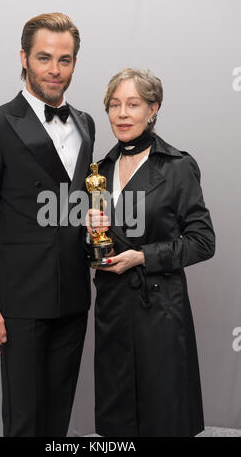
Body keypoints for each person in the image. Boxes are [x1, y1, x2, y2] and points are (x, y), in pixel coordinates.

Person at [0, 12, 95, 437]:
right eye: (44, 58)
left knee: (58, 421)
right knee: (24, 422)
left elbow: (75, 205)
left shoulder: (86, 123)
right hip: (20, 301)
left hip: (74, 295)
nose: (55, 70)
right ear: (23, 58)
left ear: (75, 62)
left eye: (65, 60)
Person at [87, 68, 215, 437]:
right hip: (112, 307)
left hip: (159, 308)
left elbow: (204, 241)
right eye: (114, 105)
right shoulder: (100, 169)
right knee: (117, 415)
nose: (122, 113)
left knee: (163, 415)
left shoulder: (177, 167)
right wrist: (88, 232)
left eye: (133, 104)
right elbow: (92, 247)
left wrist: (143, 257)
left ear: (152, 109)